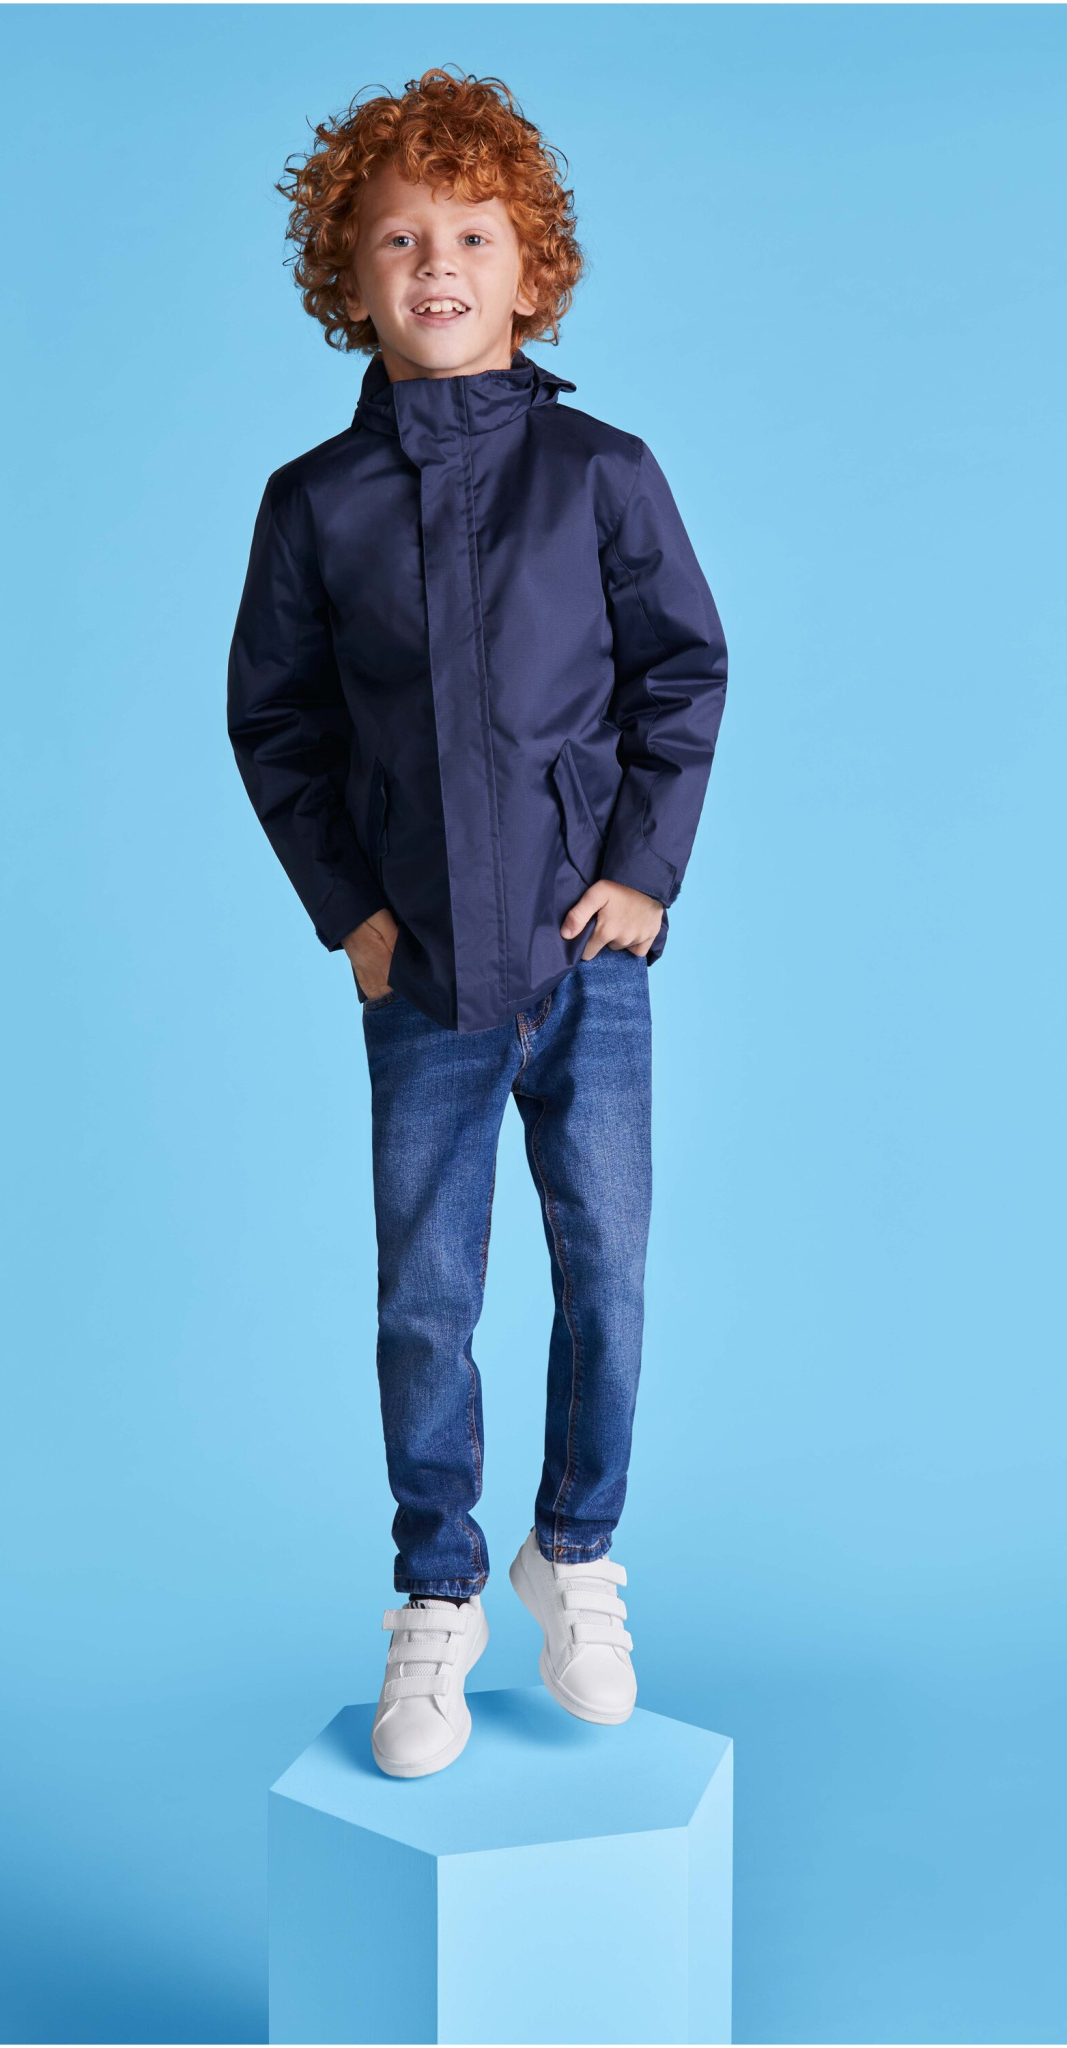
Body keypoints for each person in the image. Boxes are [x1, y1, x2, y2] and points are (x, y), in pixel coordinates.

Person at [226, 68, 726, 1778]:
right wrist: (350, 913)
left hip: (590, 967)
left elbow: (682, 673)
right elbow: (276, 721)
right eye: (397, 240)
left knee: (608, 1275)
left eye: (472, 236)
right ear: (349, 278)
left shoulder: (603, 474)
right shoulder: (316, 504)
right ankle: (437, 1589)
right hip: (425, 973)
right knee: (426, 1299)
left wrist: (645, 874)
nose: (435, 264)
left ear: (532, 271)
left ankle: (571, 1552)